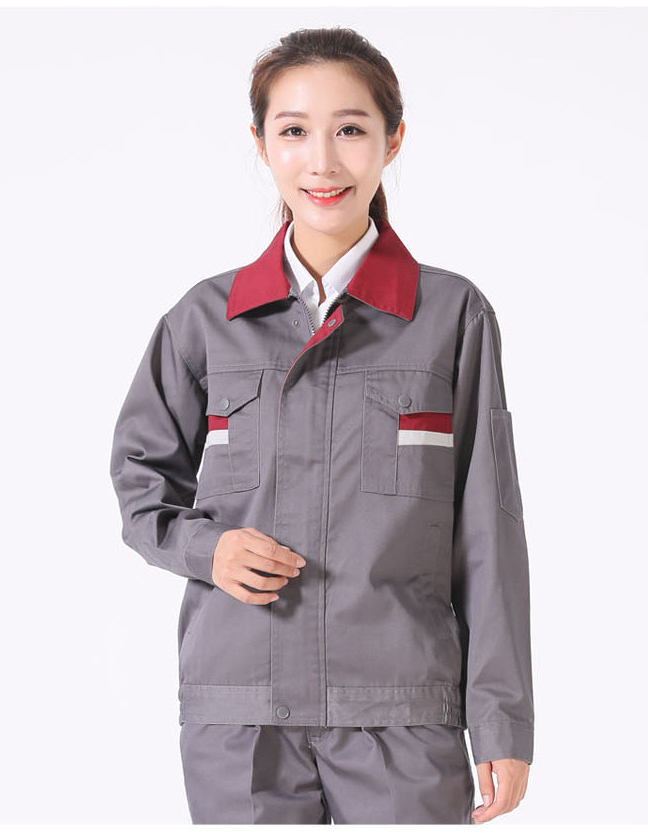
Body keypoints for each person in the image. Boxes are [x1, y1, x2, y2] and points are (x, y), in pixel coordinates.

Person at [109, 26, 534, 825]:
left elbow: (489, 530)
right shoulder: (206, 320)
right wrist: (208, 548)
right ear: (261, 144)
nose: (323, 161)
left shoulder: (451, 316)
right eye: (294, 131)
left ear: (392, 140)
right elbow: (141, 486)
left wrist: (502, 721)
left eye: (350, 130)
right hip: (241, 709)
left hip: (402, 709)